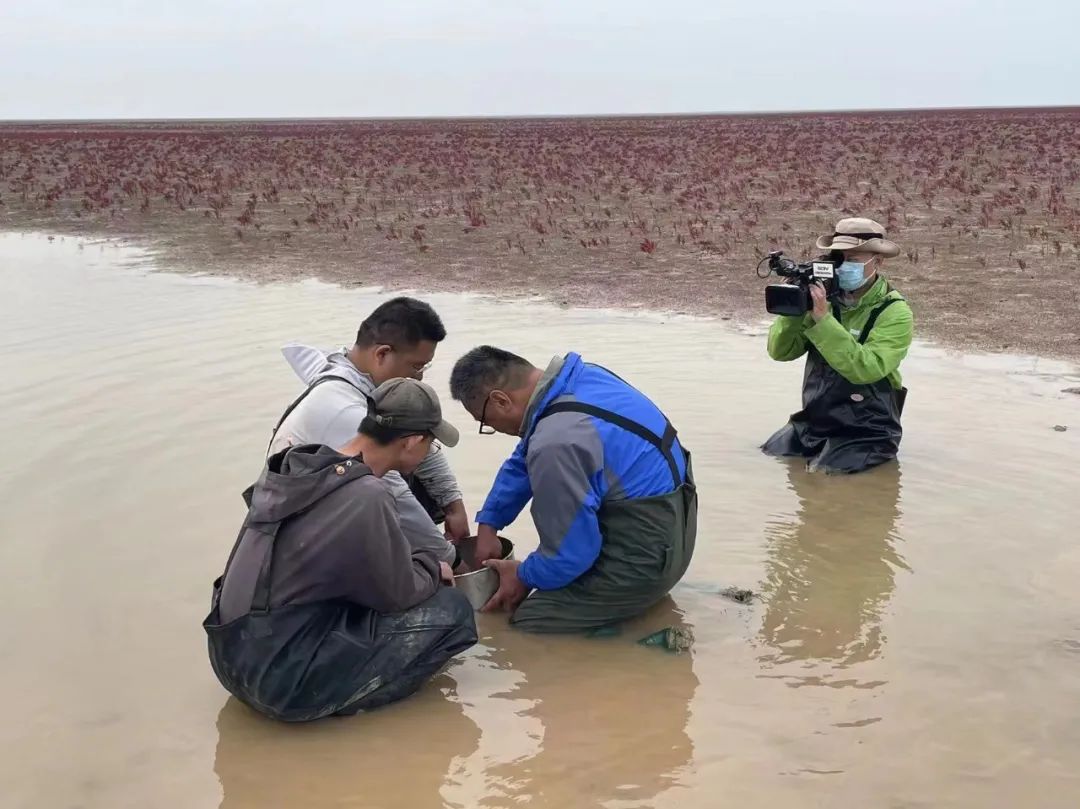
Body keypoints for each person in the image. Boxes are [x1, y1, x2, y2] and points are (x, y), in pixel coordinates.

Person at [204, 378, 478, 722]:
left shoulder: (298, 468)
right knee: (452, 610)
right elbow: (398, 595)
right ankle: (347, 707)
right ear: (411, 443)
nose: (428, 453)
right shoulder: (367, 493)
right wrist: (432, 566)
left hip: (230, 657)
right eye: (430, 444)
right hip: (280, 685)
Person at [448, 347, 697, 633]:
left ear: (501, 401)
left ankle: (625, 646)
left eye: (486, 423)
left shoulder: (556, 441)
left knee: (528, 621)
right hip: (679, 533)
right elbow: (524, 459)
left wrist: (523, 574)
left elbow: (570, 556)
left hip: (647, 563)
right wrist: (488, 524)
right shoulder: (581, 380)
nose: (493, 428)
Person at [263, 297, 468, 566]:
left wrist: (452, 503)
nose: (419, 377)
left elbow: (416, 432)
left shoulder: (355, 375)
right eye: (416, 366)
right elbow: (396, 498)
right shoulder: (343, 409)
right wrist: (451, 560)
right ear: (382, 354)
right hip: (297, 539)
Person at [762, 217, 914, 474]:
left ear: (878, 261)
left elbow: (867, 369)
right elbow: (780, 352)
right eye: (838, 258)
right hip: (817, 420)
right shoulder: (826, 299)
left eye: (853, 260)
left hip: (869, 428)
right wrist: (797, 310)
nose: (843, 267)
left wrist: (823, 320)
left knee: (824, 475)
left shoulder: (895, 312)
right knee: (771, 453)